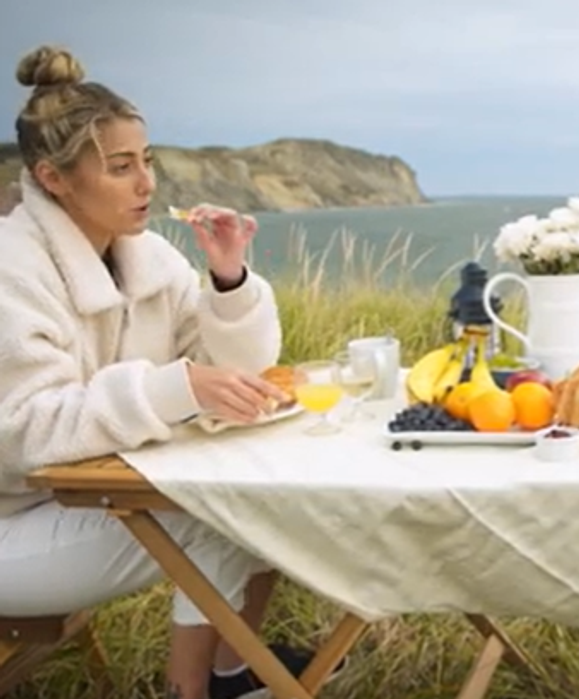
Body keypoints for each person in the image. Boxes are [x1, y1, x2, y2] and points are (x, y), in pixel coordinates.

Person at [0, 46, 336, 699]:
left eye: (147, 161)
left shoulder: (147, 257)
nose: (146, 183)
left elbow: (235, 374)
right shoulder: (10, 271)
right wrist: (172, 387)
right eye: (120, 167)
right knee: (218, 510)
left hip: (80, 500)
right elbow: (24, 430)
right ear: (54, 177)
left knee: (262, 485)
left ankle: (230, 672)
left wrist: (229, 280)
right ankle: (196, 688)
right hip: (11, 527)